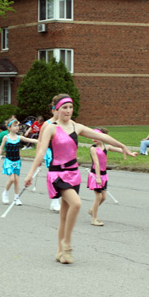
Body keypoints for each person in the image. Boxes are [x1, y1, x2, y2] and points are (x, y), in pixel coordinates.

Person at [24, 94, 136, 264]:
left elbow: (103, 137)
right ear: (57, 109)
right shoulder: (50, 128)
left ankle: (59, 252)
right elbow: (40, 151)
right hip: (58, 174)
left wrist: (122, 146)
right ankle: (67, 244)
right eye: (64, 108)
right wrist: (30, 173)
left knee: (64, 214)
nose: (68, 111)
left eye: (70, 107)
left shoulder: (77, 127)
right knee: (76, 204)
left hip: (73, 174)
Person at [87, 127, 134, 226]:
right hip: (96, 175)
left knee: (103, 197)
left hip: (104, 175)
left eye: (96, 136)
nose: (94, 138)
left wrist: (130, 153)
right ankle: (94, 218)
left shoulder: (106, 147)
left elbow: (119, 150)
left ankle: (92, 210)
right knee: (98, 197)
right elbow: (97, 163)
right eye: (92, 136)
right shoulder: (93, 148)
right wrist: (98, 177)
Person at [0, 118, 38, 205]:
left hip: (17, 161)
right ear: (9, 128)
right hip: (9, 161)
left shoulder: (19, 137)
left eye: (17, 125)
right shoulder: (6, 137)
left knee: (16, 180)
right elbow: (1, 148)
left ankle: (16, 198)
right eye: (14, 126)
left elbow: (30, 140)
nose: (17, 127)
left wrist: (41, 141)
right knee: (11, 179)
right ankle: (5, 193)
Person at [38, 102, 61, 212]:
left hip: (62, 153)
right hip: (51, 152)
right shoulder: (47, 124)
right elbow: (40, 141)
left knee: (62, 176)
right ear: (53, 110)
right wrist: (39, 157)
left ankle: (58, 198)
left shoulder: (64, 123)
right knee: (54, 176)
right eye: (57, 109)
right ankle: (55, 199)